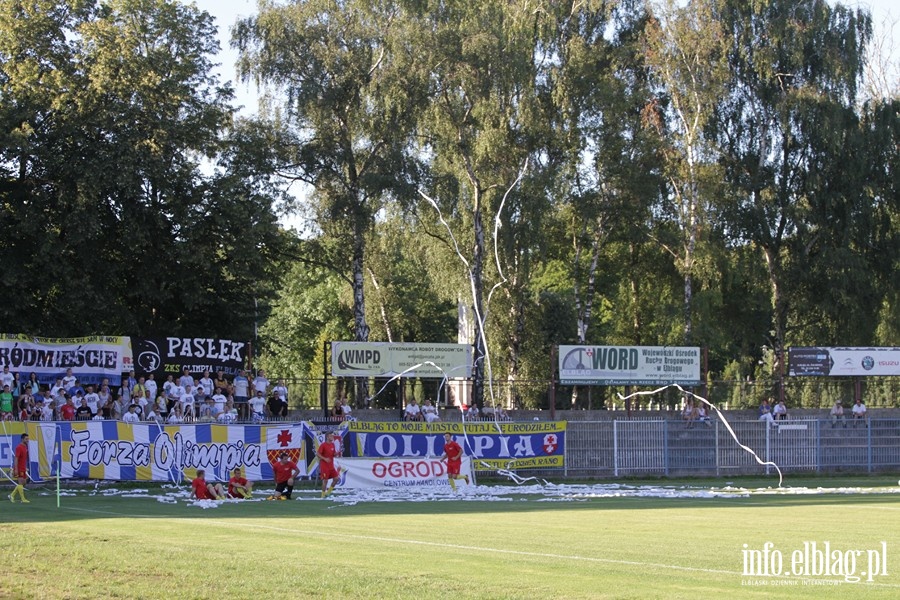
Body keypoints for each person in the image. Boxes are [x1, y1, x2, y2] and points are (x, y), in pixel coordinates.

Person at [316, 432, 342, 498]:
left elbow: (332, 454)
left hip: (331, 466)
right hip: (324, 466)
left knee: (336, 478)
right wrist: (325, 459)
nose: (332, 437)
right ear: (327, 437)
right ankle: (323, 494)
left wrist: (336, 454)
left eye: (332, 436)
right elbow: (318, 454)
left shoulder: (333, 445)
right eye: (331, 436)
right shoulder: (323, 445)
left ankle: (329, 492)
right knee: (325, 480)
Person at [9, 433, 29, 503]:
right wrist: (16, 469)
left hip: (23, 467)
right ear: (22, 439)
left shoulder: (25, 447)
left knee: (24, 483)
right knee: (20, 483)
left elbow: (24, 458)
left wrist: (25, 467)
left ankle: (12, 495)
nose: (27, 440)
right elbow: (16, 458)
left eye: (28, 439)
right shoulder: (19, 447)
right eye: (26, 439)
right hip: (19, 468)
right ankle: (23, 499)